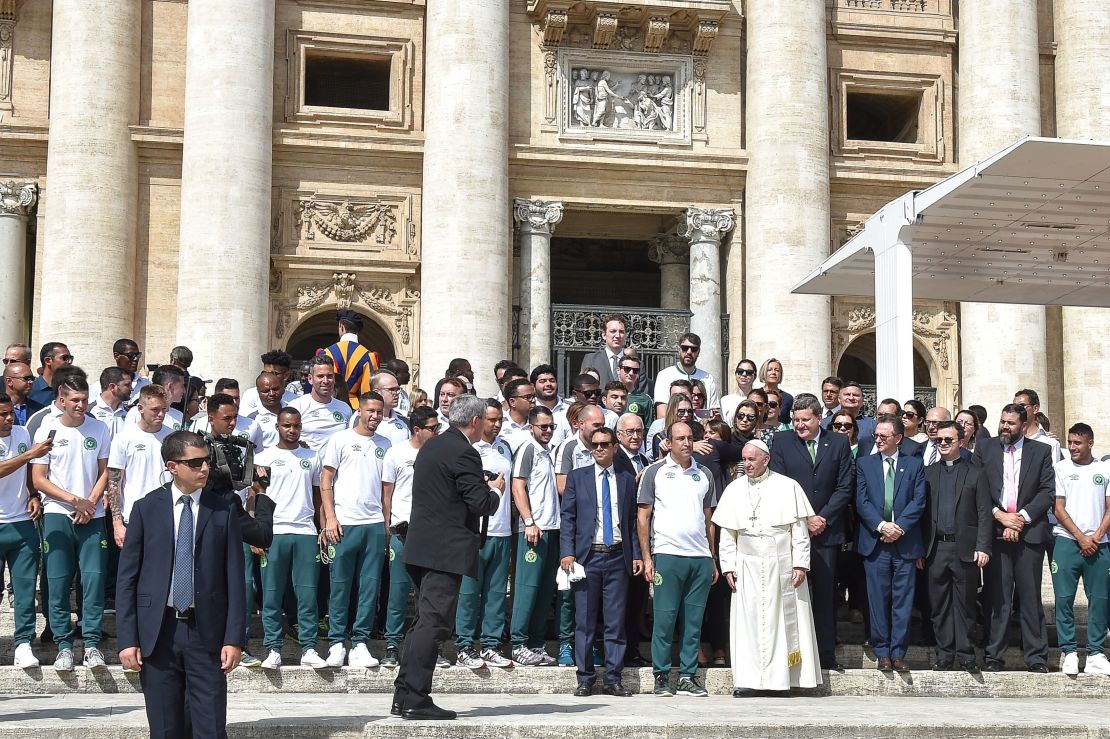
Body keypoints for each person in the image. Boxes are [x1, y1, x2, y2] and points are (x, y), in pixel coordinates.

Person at [115, 431, 245, 738]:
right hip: (158, 634)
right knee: (164, 728)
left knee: (210, 728)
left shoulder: (222, 509)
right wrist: (127, 638)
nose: (204, 468)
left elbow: (236, 578)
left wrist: (234, 637)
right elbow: (127, 578)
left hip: (207, 634)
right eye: (195, 462)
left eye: (207, 461)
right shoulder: (147, 508)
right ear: (172, 466)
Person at [392, 395, 504, 721]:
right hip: (443, 550)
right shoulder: (465, 452)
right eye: (485, 419)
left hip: (421, 545)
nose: (486, 424)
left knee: (421, 623)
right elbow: (480, 503)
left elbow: (449, 491)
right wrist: (495, 489)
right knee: (434, 623)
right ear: (474, 422)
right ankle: (415, 698)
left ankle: (404, 695)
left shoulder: (433, 446)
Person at [714, 440, 821, 694]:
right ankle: (749, 681)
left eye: (752, 459)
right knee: (749, 624)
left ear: (766, 459)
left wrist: (800, 564)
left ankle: (783, 679)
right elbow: (728, 534)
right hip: (747, 565)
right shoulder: (734, 489)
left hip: (781, 563)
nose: (747, 464)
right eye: (744, 460)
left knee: (781, 623)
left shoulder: (788, 486)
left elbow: (799, 531)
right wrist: (728, 566)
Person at [30, 374, 111, 670]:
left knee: (93, 579)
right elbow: (39, 478)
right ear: (61, 400)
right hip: (57, 513)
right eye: (74, 400)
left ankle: (91, 643)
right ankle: (64, 644)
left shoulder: (99, 428)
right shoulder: (47, 428)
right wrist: (74, 501)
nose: (80, 405)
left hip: (92, 515)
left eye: (84, 399)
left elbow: (105, 471)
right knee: (59, 580)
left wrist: (89, 502)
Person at [769, 393, 854, 671]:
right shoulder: (782, 442)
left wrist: (823, 518)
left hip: (826, 534)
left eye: (806, 420)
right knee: (792, 595)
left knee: (826, 596)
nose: (800, 425)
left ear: (819, 418)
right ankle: (793, 658)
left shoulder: (839, 443)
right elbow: (779, 485)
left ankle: (826, 656)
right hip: (794, 533)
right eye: (796, 420)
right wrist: (805, 519)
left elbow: (844, 486)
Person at [973, 403, 1055, 672]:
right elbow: (977, 487)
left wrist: (1019, 518)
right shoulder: (985, 448)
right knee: (998, 598)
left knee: (1030, 597)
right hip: (995, 533)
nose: (1004, 427)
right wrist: (1000, 515)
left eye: (1010, 423)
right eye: (1002, 421)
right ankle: (994, 655)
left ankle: (1036, 657)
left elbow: (1046, 491)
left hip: (1029, 533)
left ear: (1023, 424)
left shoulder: (1041, 451)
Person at [637, 421, 717, 698]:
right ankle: (661, 677)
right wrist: (647, 557)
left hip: (700, 557)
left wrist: (713, 557)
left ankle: (686, 676)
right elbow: (643, 517)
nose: (685, 443)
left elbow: (709, 520)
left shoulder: (704, 472)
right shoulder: (655, 472)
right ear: (668, 442)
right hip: (668, 555)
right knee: (664, 619)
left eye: (689, 438)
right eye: (679, 438)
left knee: (693, 621)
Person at [561, 426, 642, 697]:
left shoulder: (626, 478)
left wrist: (637, 555)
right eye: (594, 444)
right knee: (584, 621)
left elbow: (631, 521)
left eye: (604, 444)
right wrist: (566, 552)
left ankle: (613, 677)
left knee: (615, 621)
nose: (598, 449)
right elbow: (568, 517)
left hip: (618, 555)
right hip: (588, 556)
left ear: (614, 447)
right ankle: (585, 678)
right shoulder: (578, 477)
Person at [319, 391, 391, 668]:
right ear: (359, 410)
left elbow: (387, 489)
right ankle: (337, 641)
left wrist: (385, 523)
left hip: (373, 523)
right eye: (370, 410)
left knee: (369, 586)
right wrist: (330, 518)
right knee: (340, 585)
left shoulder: (385, 444)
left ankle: (360, 642)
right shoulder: (340, 439)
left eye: (379, 411)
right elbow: (326, 478)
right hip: (344, 522)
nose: (375, 416)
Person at [253, 408, 326, 669]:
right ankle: (273, 648)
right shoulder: (264, 457)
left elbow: (318, 497)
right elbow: (256, 497)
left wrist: (323, 527)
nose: (292, 430)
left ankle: (309, 648)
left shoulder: (312, 456)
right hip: (274, 533)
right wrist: (255, 534)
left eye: (296, 425)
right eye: (286, 426)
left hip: (306, 532)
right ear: (277, 426)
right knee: (272, 595)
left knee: (307, 595)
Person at [855, 416, 925, 672]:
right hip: (875, 542)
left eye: (884, 436)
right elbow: (861, 501)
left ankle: (898, 652)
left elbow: (918, 501)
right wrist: (882, 526)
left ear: (898, 438)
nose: (878, 439)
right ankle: (882, 651)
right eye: (876, 435)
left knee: (902, 601)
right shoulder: (865, 464)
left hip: (905, 543)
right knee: (877, 599)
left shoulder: (914, 465)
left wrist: (899, 527)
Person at [922, 420, 992, 673]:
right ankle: (944, 654)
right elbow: (922, 514)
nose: (942, 444)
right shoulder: (928, 473)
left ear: (960, 442)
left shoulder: (976, 473)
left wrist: (983, 547)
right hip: (936, 549)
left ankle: (965, 653)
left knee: (966, 605)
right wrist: (921, 550)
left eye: (948, 440)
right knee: (938, 606)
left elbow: (985, 513)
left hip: (965, 549)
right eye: (938, 440)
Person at [454, 399, 515, 669]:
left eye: (500, 419)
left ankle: (490, 644)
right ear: (479, 420)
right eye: (492, 419)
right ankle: (464, 644)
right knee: (469, 592)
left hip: (502, 529)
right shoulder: (469, 449)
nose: (497, 424)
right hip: (475, 530)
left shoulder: (505, 447)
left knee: (496, 591)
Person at [380, 405, 440, 669]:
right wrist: (387, 527)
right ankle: (392, 643)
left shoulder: (438, 453)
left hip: (431, 532)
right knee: (398, 590)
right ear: (417, 429)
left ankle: (428, 646)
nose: (437, 432)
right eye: (433, 428)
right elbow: (387, 495)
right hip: (402, 530)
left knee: (427, 594)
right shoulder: (397, 453)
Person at [1050, 422, 1110, 676]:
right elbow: (1058, 508)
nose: (1072, 447)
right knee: (1064, 599)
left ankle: (1096, 652)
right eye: (1070, 442)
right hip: (1066, 542)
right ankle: (1070, 651)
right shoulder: (1060, 468)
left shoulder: (1104, 469)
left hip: (1099, 543)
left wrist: (1095, 537)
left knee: (1100, 600)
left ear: (1090, 444)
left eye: (1078, 443)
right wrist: (1080, 537)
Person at [508, 405, 560, 666]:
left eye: (552, 426)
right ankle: (518, 643)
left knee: (544, 590)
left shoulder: (548, 451)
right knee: (527, 588)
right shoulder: (527, 448)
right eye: (544, 427)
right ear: (531, 427)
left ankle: (536, 644)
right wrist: (529, 521)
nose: (548, 431)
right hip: (533, 529)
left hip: (552, 527)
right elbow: (518, 486)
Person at [0, 393, 49, 668]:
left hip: (21, 522)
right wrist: (30, 453)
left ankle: (23, 644)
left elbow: (31, 470)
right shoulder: (26, 444)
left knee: (25, 588)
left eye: (10, 413)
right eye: (2, 414)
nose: (9, 419)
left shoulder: (21, 433)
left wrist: (33, 495)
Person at [106, 384, 173, 548]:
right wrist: (117, 524)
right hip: (133, 516)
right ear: (140, 408)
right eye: (155, 409)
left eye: (164, 409)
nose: (161, 414)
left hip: (167, 515)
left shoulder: (172, 438)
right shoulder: (124, 438)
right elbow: (114, 482)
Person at [289, 356, 353, 451]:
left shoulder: (345, 408)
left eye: (329, 376)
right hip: (306, 463)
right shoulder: (296, 406)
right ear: (310, 379)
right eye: (320, 376)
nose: (325, 381)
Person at [322, 310, 381, 409]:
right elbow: (367, 389)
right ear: (357, 331)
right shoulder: (368, 356)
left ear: (342, 327)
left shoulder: (327, 352)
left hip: (329, 405)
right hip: (355, 407)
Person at [652, 333, 720, 417]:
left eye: (693, 349)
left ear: (698, 352)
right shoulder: (664, 375)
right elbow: (662, 414)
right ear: (678, 349)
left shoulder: (708, 378)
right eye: (685, 348)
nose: (689, 352)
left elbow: (714, 412)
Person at [239, 350, 299, 417]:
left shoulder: (295, 400)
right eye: (265, 373)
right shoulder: (251, 394)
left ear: (286, 375)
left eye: (274, 373)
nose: (268, 377)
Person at [1014, 389, 1064, 463]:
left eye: (1022, 406)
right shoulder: (1010, 441)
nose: (1016, 410)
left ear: (1035, 408)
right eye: (1014, 407)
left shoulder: (1050, 443)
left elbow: (1053, 473)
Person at [87, 366, 133, 438]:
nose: (132, 388)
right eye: (127, 385)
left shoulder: (129, 414)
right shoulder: (89, 412)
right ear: (112, 387)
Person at [369, 371, 412, 446]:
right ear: (377, 392)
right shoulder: (362, 419)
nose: (397, 393)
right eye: (391, 389)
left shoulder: (404, 422)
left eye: (397, 389)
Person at [28, 342, 73, 409]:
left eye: (70, 358)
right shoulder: (30, 390)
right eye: (65, 358)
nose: (69, 362)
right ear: (48, 360)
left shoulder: (70, 389)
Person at [720, 359, 758, 426]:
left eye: (749, 372)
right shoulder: (725, 400)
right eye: (740, 371)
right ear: (736, 374)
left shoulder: (758, 399)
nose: (744, 374)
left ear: (754, 376)